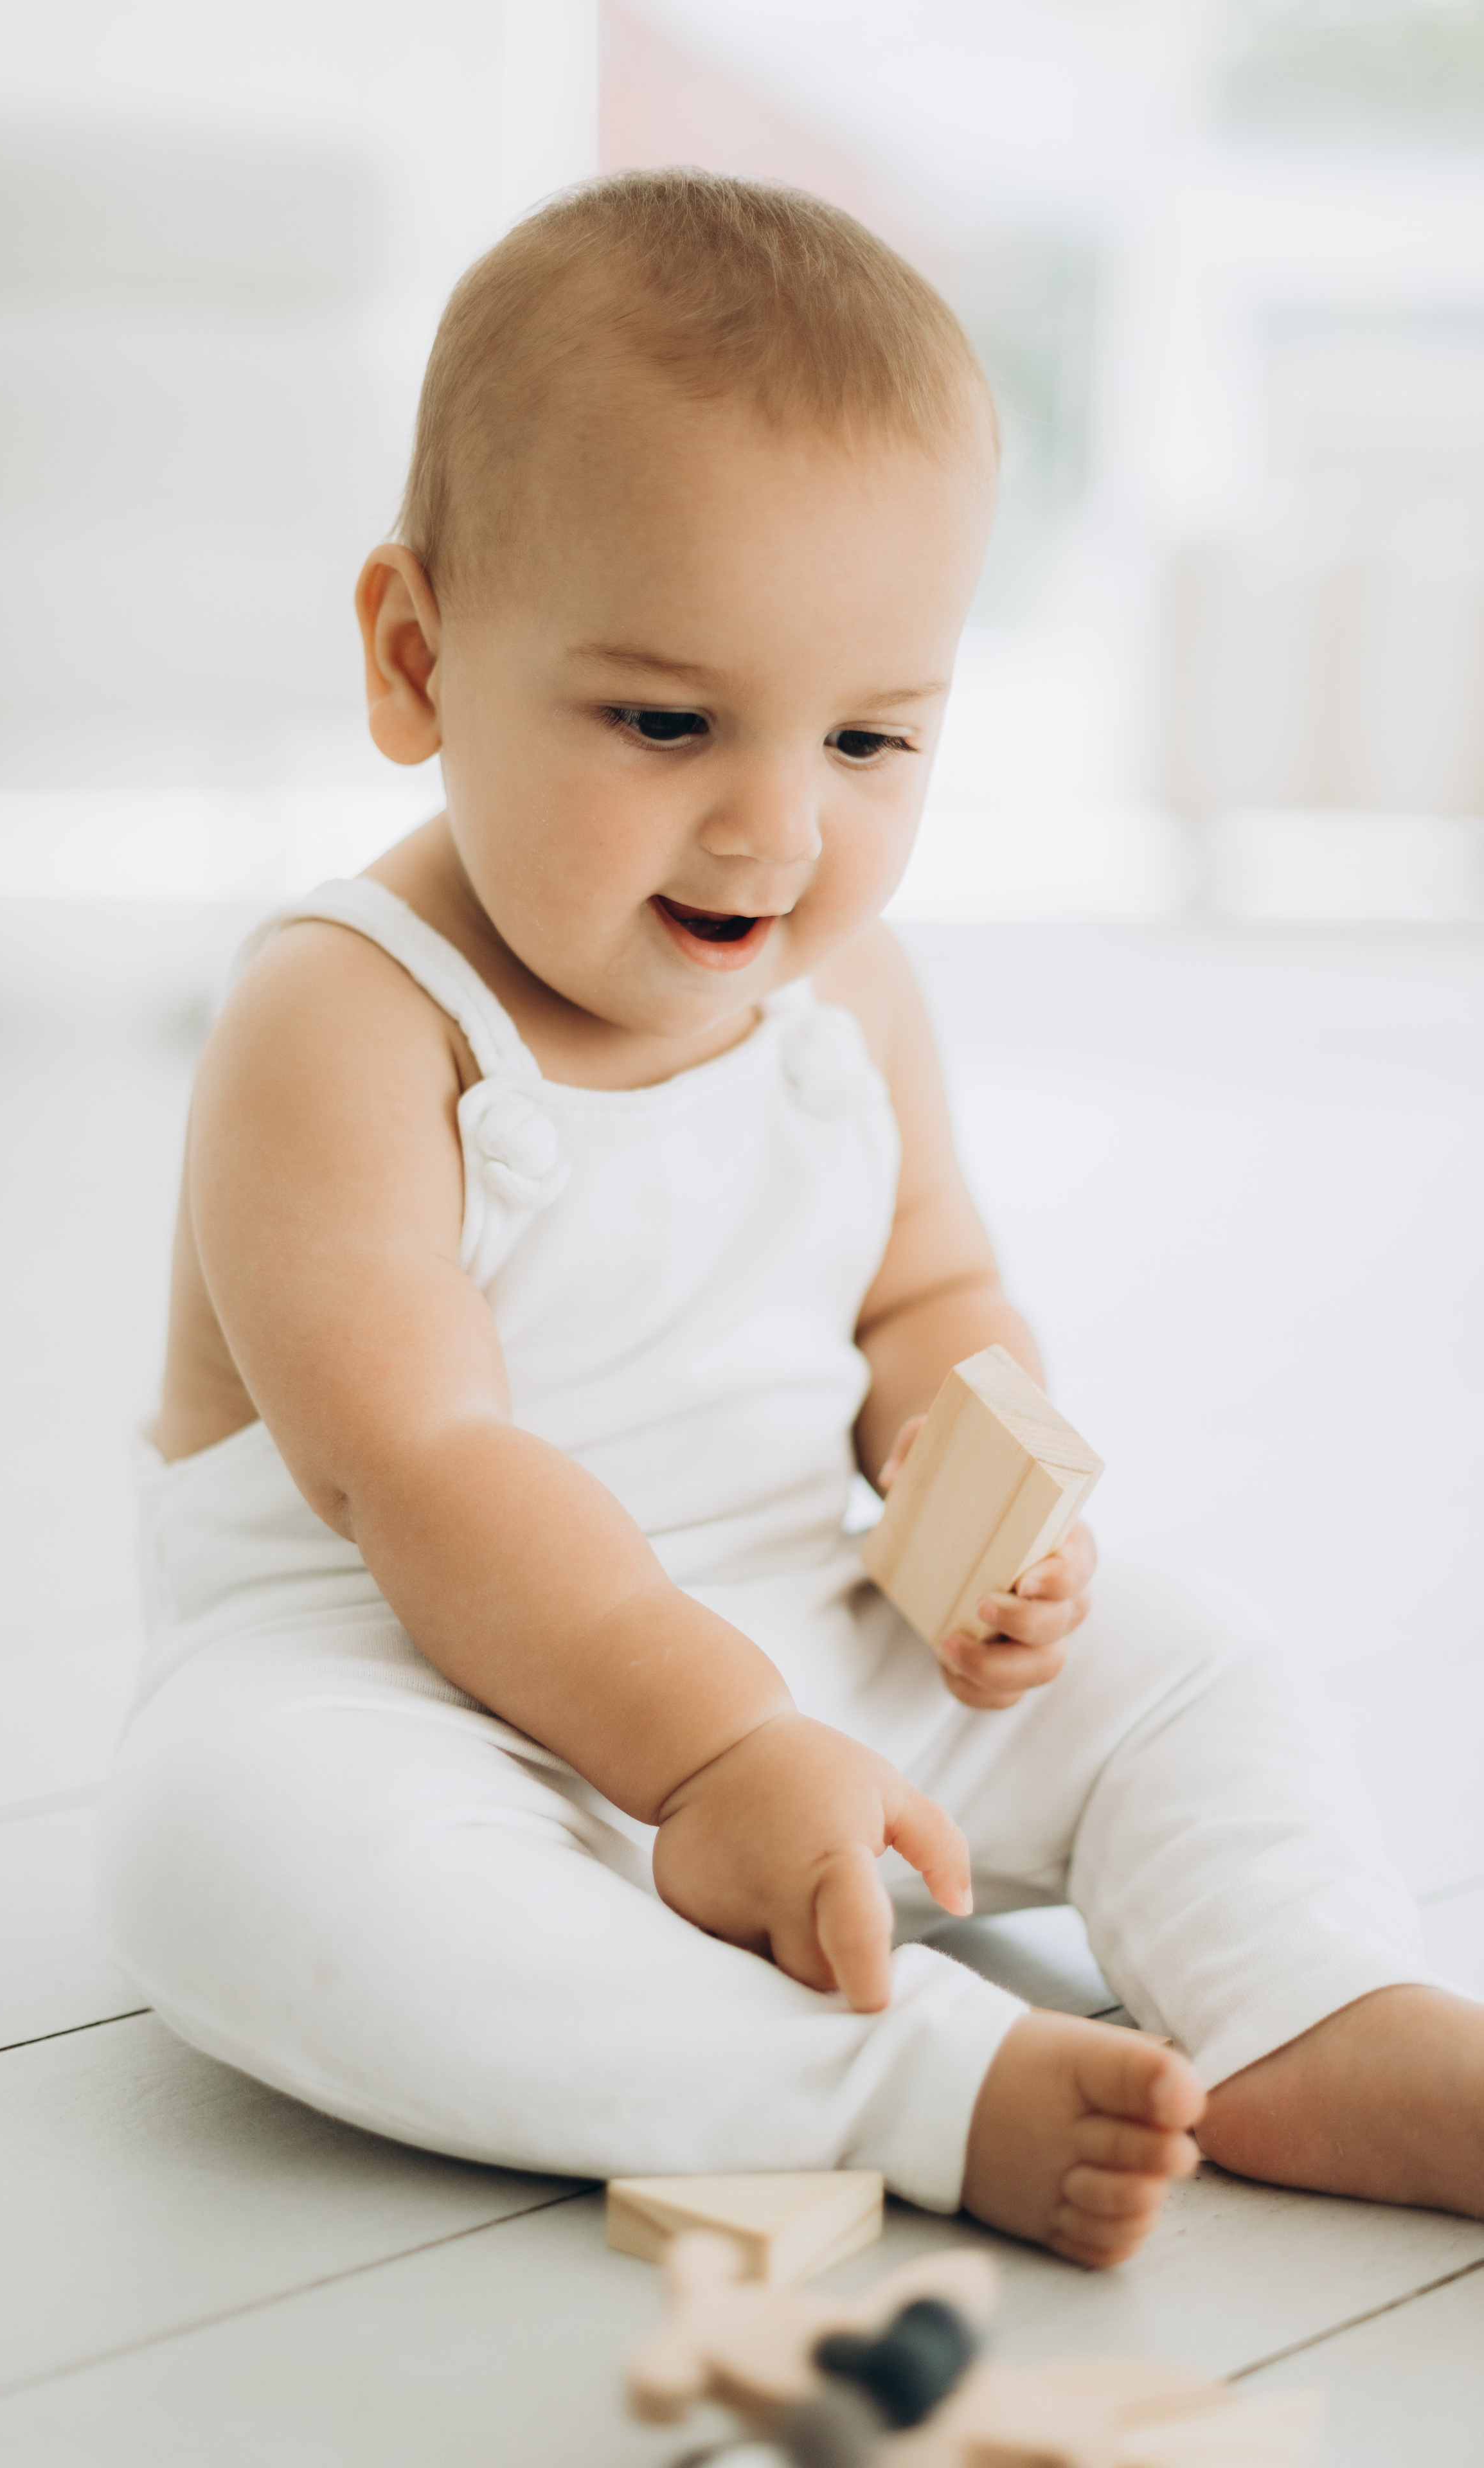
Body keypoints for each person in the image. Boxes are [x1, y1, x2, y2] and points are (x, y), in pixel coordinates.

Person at [97, 170, 1481, 2266]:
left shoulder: (845, 997)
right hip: (401, 1686)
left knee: (1192, 1668)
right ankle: (903, 2078)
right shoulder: (348, 1019)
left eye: (869, 737)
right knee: (235, 1854)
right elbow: (424, 1470)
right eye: (665, 723)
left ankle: (1316, 2006)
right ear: (417, 656)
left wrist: (977, 1499)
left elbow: (930, 1288)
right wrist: (716, 1752)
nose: (775, 825)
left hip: (803, 1646)